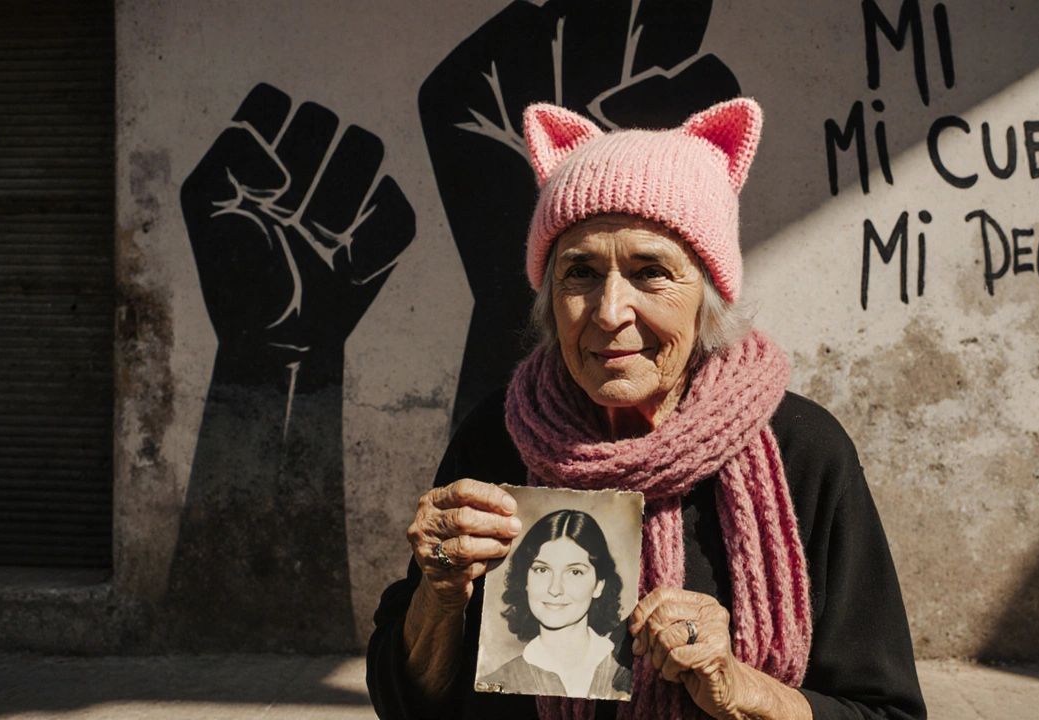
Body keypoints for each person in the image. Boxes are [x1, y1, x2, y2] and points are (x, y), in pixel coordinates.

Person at [367, 98, 927, 720]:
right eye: (579, 272)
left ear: (708, 298)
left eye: (650, 271)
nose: (609, 312)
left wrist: (741, 686)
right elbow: (405, 701)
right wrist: (438, 595)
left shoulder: (804, 451)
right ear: (550, 298)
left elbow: (887, 712)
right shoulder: (499, 438)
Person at [478, 509, 633, 700]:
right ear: (525, 579)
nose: (554, 588)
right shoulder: (496, 682)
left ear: (599, 585)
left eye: (574, 572)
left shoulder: (629, 674)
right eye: (542, 569)